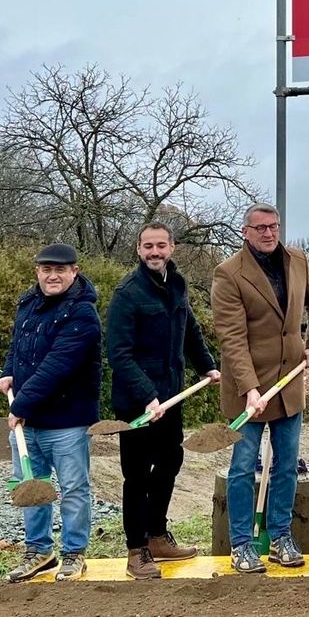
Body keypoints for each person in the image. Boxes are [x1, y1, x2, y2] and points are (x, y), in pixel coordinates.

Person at [212, 203, 309, 574]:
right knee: (243, 467)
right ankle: (242, 544)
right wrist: (249, 388)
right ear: (245, 232)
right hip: (248, 390)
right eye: (260, 228)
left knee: (286, 466)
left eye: (273, 226)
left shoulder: (297, 260)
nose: (268, 233)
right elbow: (232, 338)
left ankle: (280, 536)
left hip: (289, 384)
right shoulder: (229, 273)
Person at [107, 221, 220, 580]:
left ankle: (157, 535)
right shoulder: (128, 292)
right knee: (136, 476)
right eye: (147, 246)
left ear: (172, 248)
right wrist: (147, 396)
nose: (154, 252)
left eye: (161, 246)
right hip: (138, 403)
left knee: (171, 461)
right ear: (138, 250)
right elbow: (119, 355)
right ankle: (136, 549)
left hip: (171, 397)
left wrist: (207, 366)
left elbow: (190, 329)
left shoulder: (178, 284)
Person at [1, 243, 101, 583]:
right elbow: (19, 347)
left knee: (73, 488)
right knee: (31, 486)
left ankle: (74, 553)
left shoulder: (83, 314)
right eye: (46, 269)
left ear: (74, 272)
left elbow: (57, 365)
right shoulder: (28, 304)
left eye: (60, 270)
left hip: (67, 421)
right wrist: (7, 371)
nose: (52, 275)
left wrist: (20, 405)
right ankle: (39, 551)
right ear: (38, 273)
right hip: (29, 421)